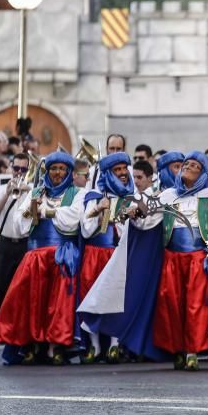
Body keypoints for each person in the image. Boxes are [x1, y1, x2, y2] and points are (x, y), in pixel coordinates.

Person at [0, 152, 84, 365]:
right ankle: (32, 345)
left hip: (61, 255)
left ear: (69, 172)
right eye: (54, 169)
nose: (57, 173)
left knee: (58, 303)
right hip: (35, 257)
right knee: (31, 301)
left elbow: (73, 219)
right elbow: (20, 223)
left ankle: (56, 347)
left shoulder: (78, 193)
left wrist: (45, 210)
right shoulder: (36, 192)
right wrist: (33, 209)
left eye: (62, 169)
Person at [141, 151, 208, 370]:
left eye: (195, 165)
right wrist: (135, 211)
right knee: (171, 305)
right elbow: (148, 218)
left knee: (195, 305)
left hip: (198, 260)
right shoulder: (168, 195)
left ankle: (192, 351)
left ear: (203, 173)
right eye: (186, 163)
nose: (188, 167)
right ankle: (176, 349)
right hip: (171, 259)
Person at [78, 152, 135, 363]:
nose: (121, 173)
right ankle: (93, 346)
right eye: (116, 170)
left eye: (123, 169)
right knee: (91, 298)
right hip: (95, 255)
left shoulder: (131, 197)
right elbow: (85, 229)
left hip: (118, 254)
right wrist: (98, 210)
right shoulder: (93, 196)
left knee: (117, 298)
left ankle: (114, 345)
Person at [0, 153, 32, 361]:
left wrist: (26, 192)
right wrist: (7, 194)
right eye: (16, 168)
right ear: (10, 168)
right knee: (1, 291)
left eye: (23, 169)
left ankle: (19, 336)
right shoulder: (2, 189)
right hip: (5, 245)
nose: (19, 173)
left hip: (24, 245)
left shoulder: (31, 190)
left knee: (22, 292)